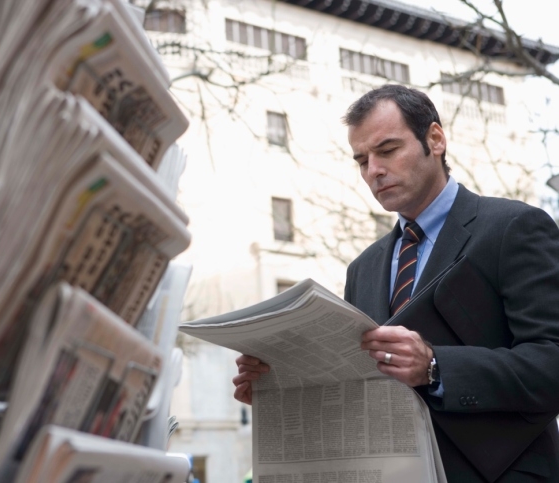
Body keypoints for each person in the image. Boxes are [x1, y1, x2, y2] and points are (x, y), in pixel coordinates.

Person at [233, 84, 559, 482]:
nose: (374, 170)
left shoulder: (514, 228)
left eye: (387, 151)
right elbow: (361, 390)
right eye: (361, 160)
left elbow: (551, 361)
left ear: (435, 139)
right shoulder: (363, 268)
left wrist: (436, 367)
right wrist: (280, 392)